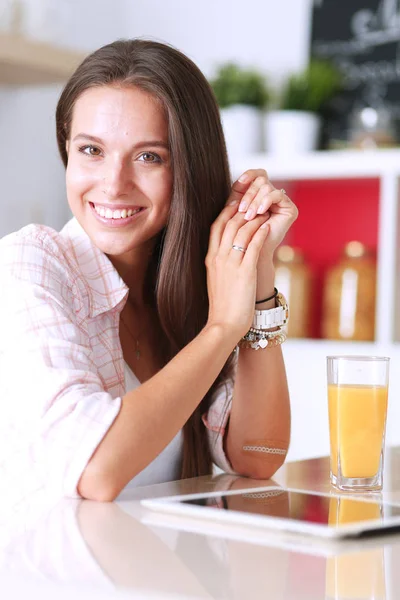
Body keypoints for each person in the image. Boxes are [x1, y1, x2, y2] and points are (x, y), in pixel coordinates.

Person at [0, 39, 298, 502]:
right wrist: (222, 328)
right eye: (91, 150)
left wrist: (256, 271)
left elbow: (259, 454)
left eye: (148, 156)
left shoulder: (190, 283)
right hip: (55, 573)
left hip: (160, 571)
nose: (113, 185)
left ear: (188, 168)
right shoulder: (29, 265)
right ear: (66, 150)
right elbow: (95, 471)